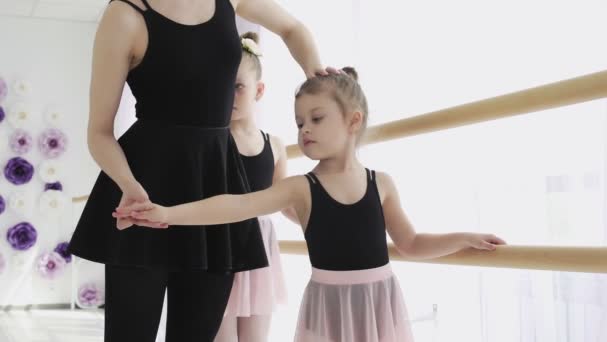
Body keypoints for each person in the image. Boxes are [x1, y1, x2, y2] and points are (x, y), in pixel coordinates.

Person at [115, 67, 507, 342]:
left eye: (316, 118)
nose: (304, 129)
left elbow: (412, 243)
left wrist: (464, 237)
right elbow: (235, 205)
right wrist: (167, 214)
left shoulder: (381, 184)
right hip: (327, 308)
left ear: (354, 121)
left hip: (380, 306)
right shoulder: (302, 189)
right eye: (299, 121)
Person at [67, 0, 337, 341]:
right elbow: (99, 132)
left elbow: (292, 28)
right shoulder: (125, 14)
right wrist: (128, 185)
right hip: (145, 186)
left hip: (214, 182)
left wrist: (317, 74)